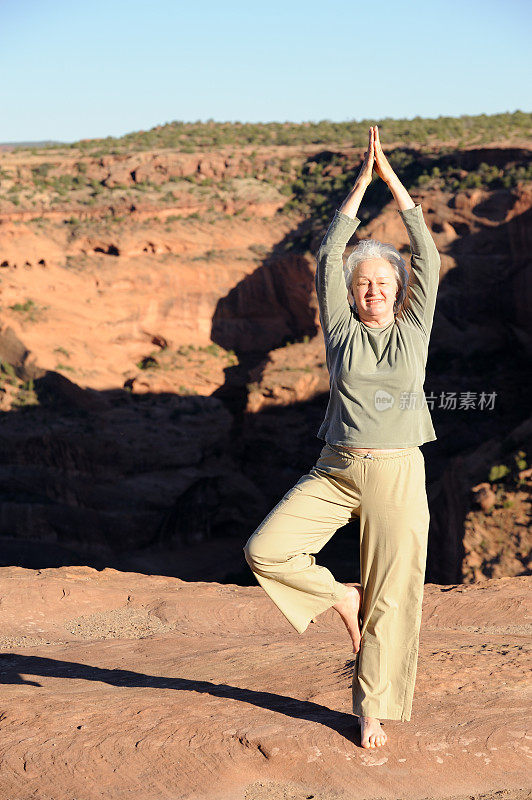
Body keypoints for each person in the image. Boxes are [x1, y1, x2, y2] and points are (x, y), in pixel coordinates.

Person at [243, 125, 440, 749]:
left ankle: (371, 710)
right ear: (351, 297)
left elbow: (428, 258)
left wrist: (396, 186)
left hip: (397, 473)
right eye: (364, 286)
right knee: (265, 551)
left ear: (397, 292)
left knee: (395, 596)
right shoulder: (343, 336)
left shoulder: (413, 330)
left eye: (384, 283)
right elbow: (330, 254)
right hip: (334, 467)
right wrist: (360, 185)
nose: (375, 291)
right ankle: (339, 598)